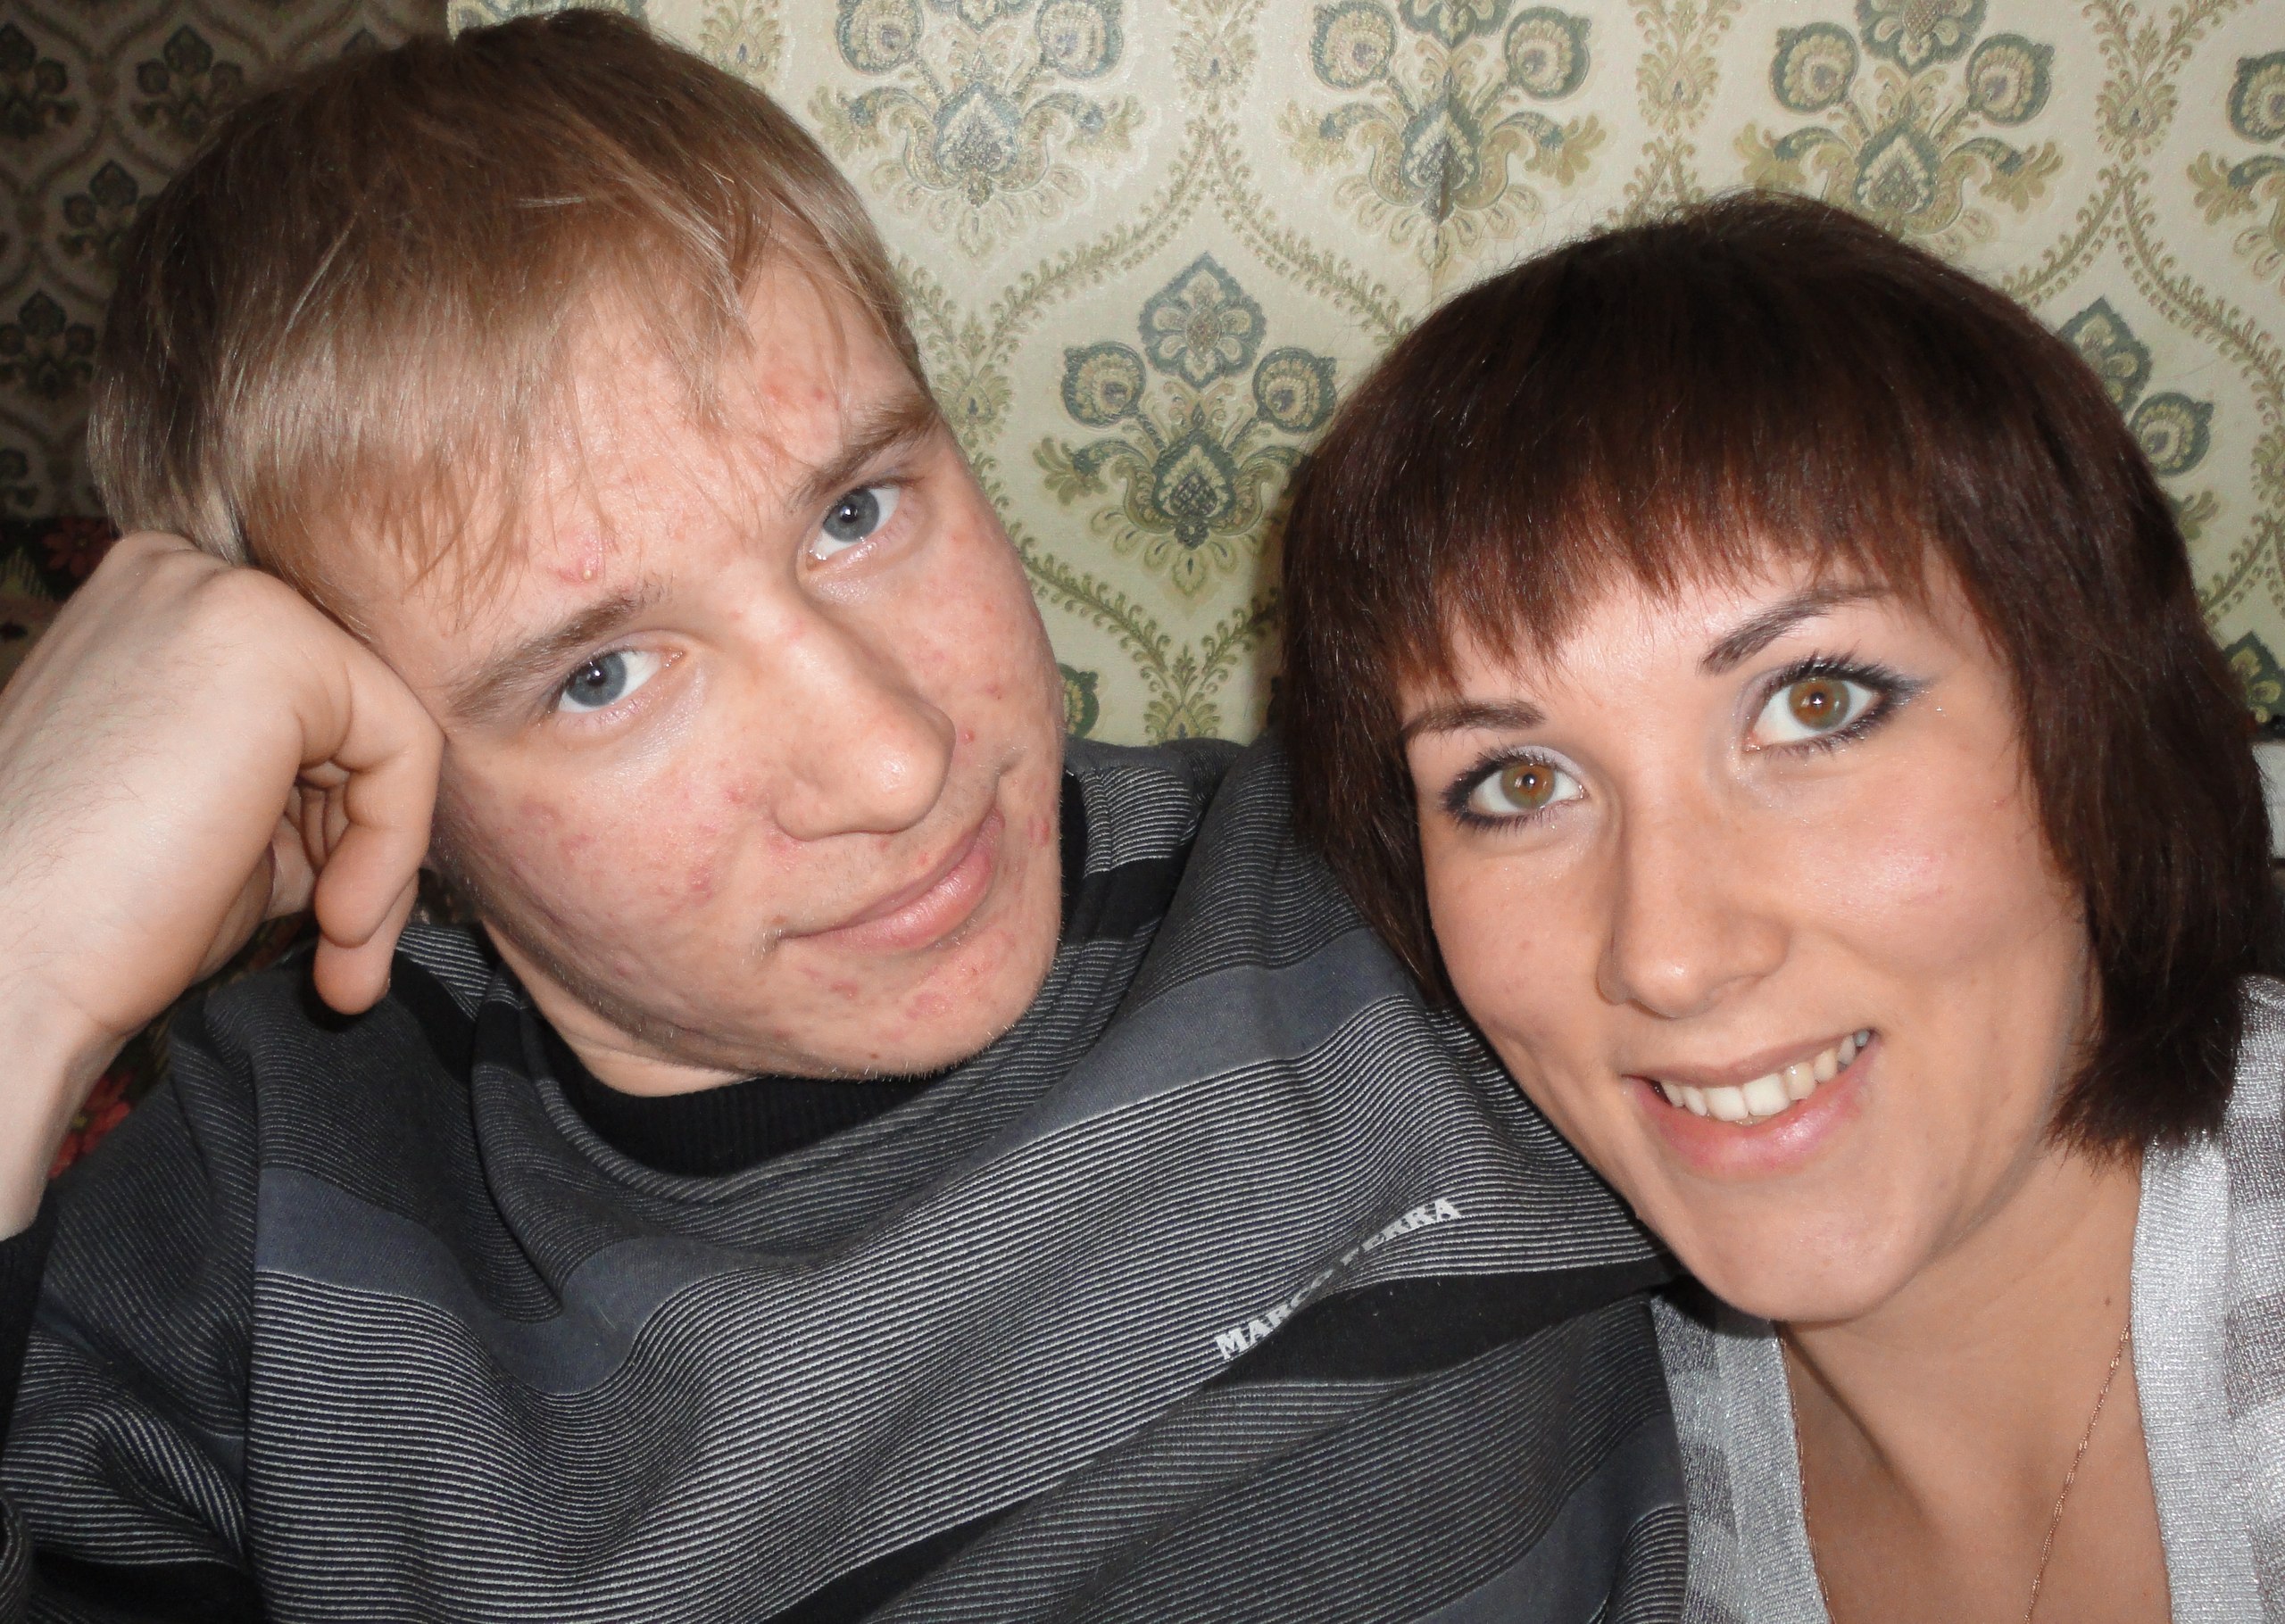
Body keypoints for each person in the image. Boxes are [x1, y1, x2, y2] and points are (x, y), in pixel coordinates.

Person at [0, 13, 1679, 1619]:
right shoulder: (261, 1222)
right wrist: (22, 955)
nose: (894, 763)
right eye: (602, 677)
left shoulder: (1405, 889)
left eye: (858, 512)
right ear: (352, 779)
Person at [1279, 192, 2282, 1624]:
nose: (1671, 955)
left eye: (1815, 705)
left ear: (2098, 726)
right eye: (1518, 783)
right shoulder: (1566, 1495)